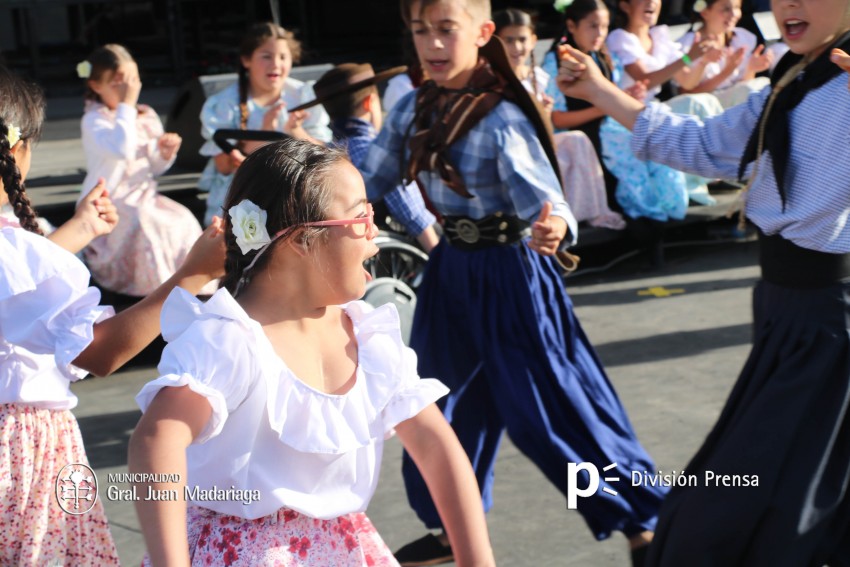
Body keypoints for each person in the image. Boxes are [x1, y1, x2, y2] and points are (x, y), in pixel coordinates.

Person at [361, 1, 667, 565]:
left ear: (482, 34)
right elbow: (368, 178)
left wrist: (555, 225)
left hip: (512, 273)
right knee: (436, 403)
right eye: (420, 30)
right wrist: (294, 176)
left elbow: (548, 202)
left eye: (446, 30)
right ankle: (451, 530)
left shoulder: (500, 117)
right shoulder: (413, 108)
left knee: (549, 414)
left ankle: (643, 518)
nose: (431, 43)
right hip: (452, 270)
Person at [558, 0, 850, 562]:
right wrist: (600, 91)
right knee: (756, 504)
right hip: (786, 314)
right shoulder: (791, 79)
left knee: (759, 511)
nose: (787, 4)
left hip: (829, 328)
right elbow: (703, 145)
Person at [128, 138, 495, 567]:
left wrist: (476, 559)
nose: (374, 230)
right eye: (360, 216)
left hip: (345, 548)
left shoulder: (367, 337)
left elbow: (435, 444)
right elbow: (156, 440)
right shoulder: (231, 339)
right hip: (243, 555)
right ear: (303, 240)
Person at [0, 64, 224, 566]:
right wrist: (189, 275)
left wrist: (77, 232)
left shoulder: (17, 253)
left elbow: (15, 297)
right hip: (21, 450)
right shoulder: (15, 252)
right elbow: (98, 351)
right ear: (17, 150)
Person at [78, 44, 215, 298]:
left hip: (143, 194)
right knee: (144, 224)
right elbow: (123, 149)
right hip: (112, 198)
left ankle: (193, 289)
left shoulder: (145, 115)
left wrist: (164, 153)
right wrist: (127, 105)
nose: (129, 88)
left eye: (133, 80)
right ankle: (157, 296)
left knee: (182, 218)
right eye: (119, 82)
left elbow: (152, 168)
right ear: (97, 85)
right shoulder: (95, 120)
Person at [494, 7, 625, 230]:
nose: (517, 47)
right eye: (509, 40)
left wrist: (543, 112)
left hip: (541, 141)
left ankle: (580, 214)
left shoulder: (537, 76)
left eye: (522, 39)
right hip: (512, 148)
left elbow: (547, 124)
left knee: (578, 141)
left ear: (533, 40)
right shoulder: (492, 79)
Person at [289, 63, 440, 250]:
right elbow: (407, 206)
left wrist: (296, 131)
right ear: (369, 102)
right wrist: (435, 250)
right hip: (410, 238)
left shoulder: (334, 151)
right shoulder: (372, 150)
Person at [199, 22, 332, 226]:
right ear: (246, 60)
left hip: (293, 195)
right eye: (266, 56)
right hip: (242, 197)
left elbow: (322, 156)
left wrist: (295, 130)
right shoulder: (225, 104)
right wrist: (263, 133)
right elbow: (224, 166)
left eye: (283, 57)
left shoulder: (302, 96)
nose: (276, 64)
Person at [607, 0, 726, 207]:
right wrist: (689, 57)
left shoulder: (660, 37)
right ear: (625, 6)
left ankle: (704, 174)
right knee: (693, 104)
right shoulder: (620, 38)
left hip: (654, 108)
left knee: (702, 100)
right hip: (627, 114)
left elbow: (687, 80)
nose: (651, 3)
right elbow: (645, 79)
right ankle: (692, 180)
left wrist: (702, 60)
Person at [676, 0, 773, 108]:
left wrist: (751, 69)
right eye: (726, 9)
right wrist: (723, 70)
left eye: (737, 7)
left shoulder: (742, 38)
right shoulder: (685, 45)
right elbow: (687, 96)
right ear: (705, 12)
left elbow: (742, 88)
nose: (734, 14)